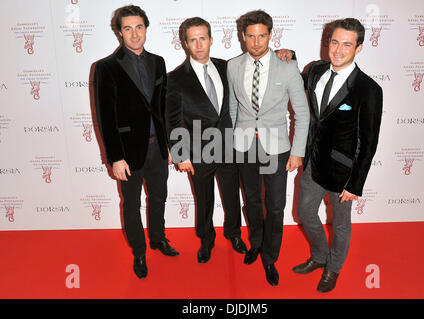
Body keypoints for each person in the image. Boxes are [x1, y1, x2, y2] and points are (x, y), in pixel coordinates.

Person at [292, 18, 383, 293]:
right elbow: (297, 83)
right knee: (305, 214)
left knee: (341, 225)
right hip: (312, 163)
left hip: (343, 171)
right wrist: (290, 57)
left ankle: (333, 268)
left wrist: (356, 183)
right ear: (327, 42)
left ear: (359, 48)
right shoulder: (316, 70)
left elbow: (369, 142)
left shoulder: (368, 89)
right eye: (334, 42)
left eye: (347, 44)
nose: (339, 49)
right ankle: (320, 256)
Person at [93, 5, 179, 280]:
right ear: (119, 32)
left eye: (138, 27)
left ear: (146, 29)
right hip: (128, 153)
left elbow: (163, 107)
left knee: (159, 197)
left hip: (158, 148)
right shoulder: (106, 67)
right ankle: (139, 252)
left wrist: (169, 146)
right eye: (127, 28)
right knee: (131, 204)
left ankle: (158, 239)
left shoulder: (159, 61)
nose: (134, 33)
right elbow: (105, 116)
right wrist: (115, 158)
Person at [228, 10, 310, 286]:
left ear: (271, 35)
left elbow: (302, 112)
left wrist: (298, 151)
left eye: (262, 35)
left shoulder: (287, 66)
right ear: (242, 37)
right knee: (251, 200)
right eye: (250, 36)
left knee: (275, 205)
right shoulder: (233, 66)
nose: (256, 42)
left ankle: (270, 257)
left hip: (277, 148)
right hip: (244, 145)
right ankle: (256, 243)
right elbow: (232, 108)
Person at [165, 17, 247, 263]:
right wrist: (180, 154)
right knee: (204, 199)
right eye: (193, 39)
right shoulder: (176, 78)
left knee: (233, 195)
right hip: (198, 152)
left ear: (211, 40)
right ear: (185, 44)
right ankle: (206, 239)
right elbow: (172, 121)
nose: (199, 44)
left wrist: (287, 53)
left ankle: (234, 234)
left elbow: (257, 63)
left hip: (229, 147)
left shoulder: (227, 67)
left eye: (203, 38)